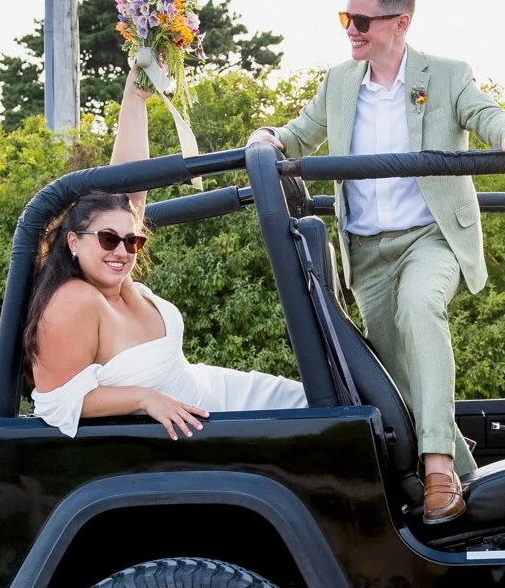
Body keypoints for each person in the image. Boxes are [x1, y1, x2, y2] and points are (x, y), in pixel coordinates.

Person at [249, 0, 505, 522]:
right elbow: (300, 133)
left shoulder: (446, 75)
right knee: (396, 376)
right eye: (346, 18)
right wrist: (269, 138)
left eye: (361, 21)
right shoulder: (339, 82)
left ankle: (440, 472)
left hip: (430, 238)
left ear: (400, 23)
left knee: (420, 306)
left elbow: (484, 112)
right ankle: (469, 476)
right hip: (367, 251)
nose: (350, 30)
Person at [26, 72, 306, 438]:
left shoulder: (116, 283)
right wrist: (144, 398)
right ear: (73, 242)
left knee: (324, 403)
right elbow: (56, 402)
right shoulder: (74, 299)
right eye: (108, 239)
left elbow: (129, 185)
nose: (122, 250)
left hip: (218, 393)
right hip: (198, 427)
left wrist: (136, 96)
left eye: (132, 241)